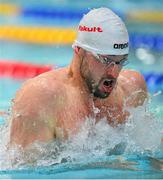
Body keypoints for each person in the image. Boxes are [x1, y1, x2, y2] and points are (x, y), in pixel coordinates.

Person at [10, 8, 147, 148]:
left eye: (120, 61)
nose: (114, 73)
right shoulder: (41, 98)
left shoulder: (131, 89)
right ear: (78, 50)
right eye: (106, 60)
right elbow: (26, 168)